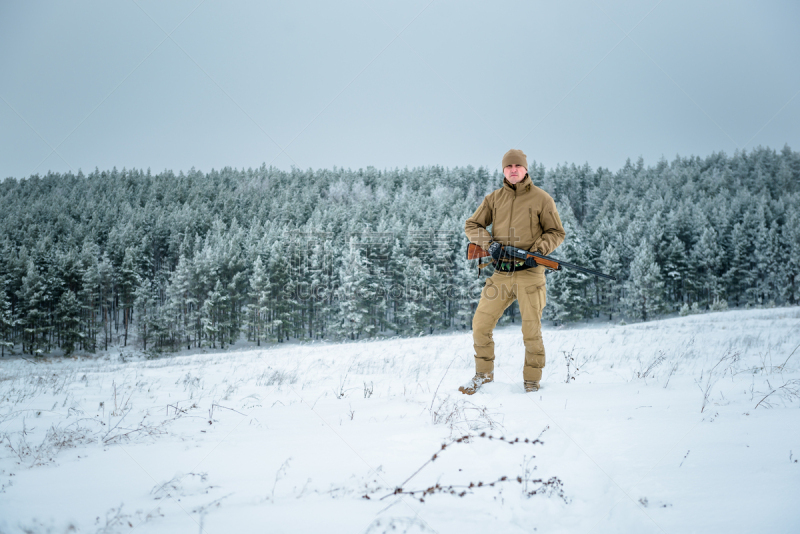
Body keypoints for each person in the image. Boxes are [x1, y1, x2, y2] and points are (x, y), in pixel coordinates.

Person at [461, 149, 565, 394]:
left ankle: (531, 381)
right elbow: (472, 225)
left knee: (531, 330)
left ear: (526, 169)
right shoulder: (494, 199)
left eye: (518, 165)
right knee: (480, 324)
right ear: (503, 170)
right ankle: (483, 377)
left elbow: (556, 233)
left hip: (530, 274)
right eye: (509, 166)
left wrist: (537, 252)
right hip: (501, 274)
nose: (514, 169)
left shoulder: (542, 199)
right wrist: (490, 245)